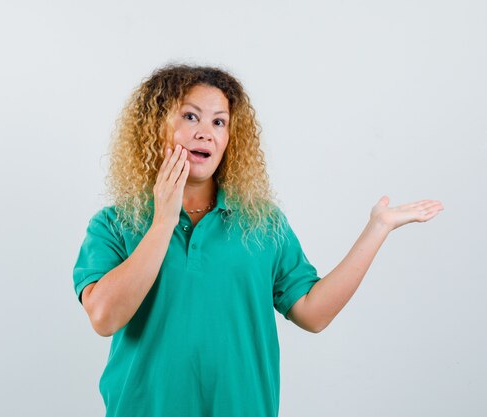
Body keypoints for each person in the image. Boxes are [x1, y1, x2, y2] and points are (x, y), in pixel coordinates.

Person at [72, 64, 444, 417]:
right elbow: (104, 318)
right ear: (155, 126)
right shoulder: (114, 224)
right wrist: (163, 222)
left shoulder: (262, 224)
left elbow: (313, 314)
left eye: (219, 122)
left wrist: (377, 229)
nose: (206, 132)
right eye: (190, 116)